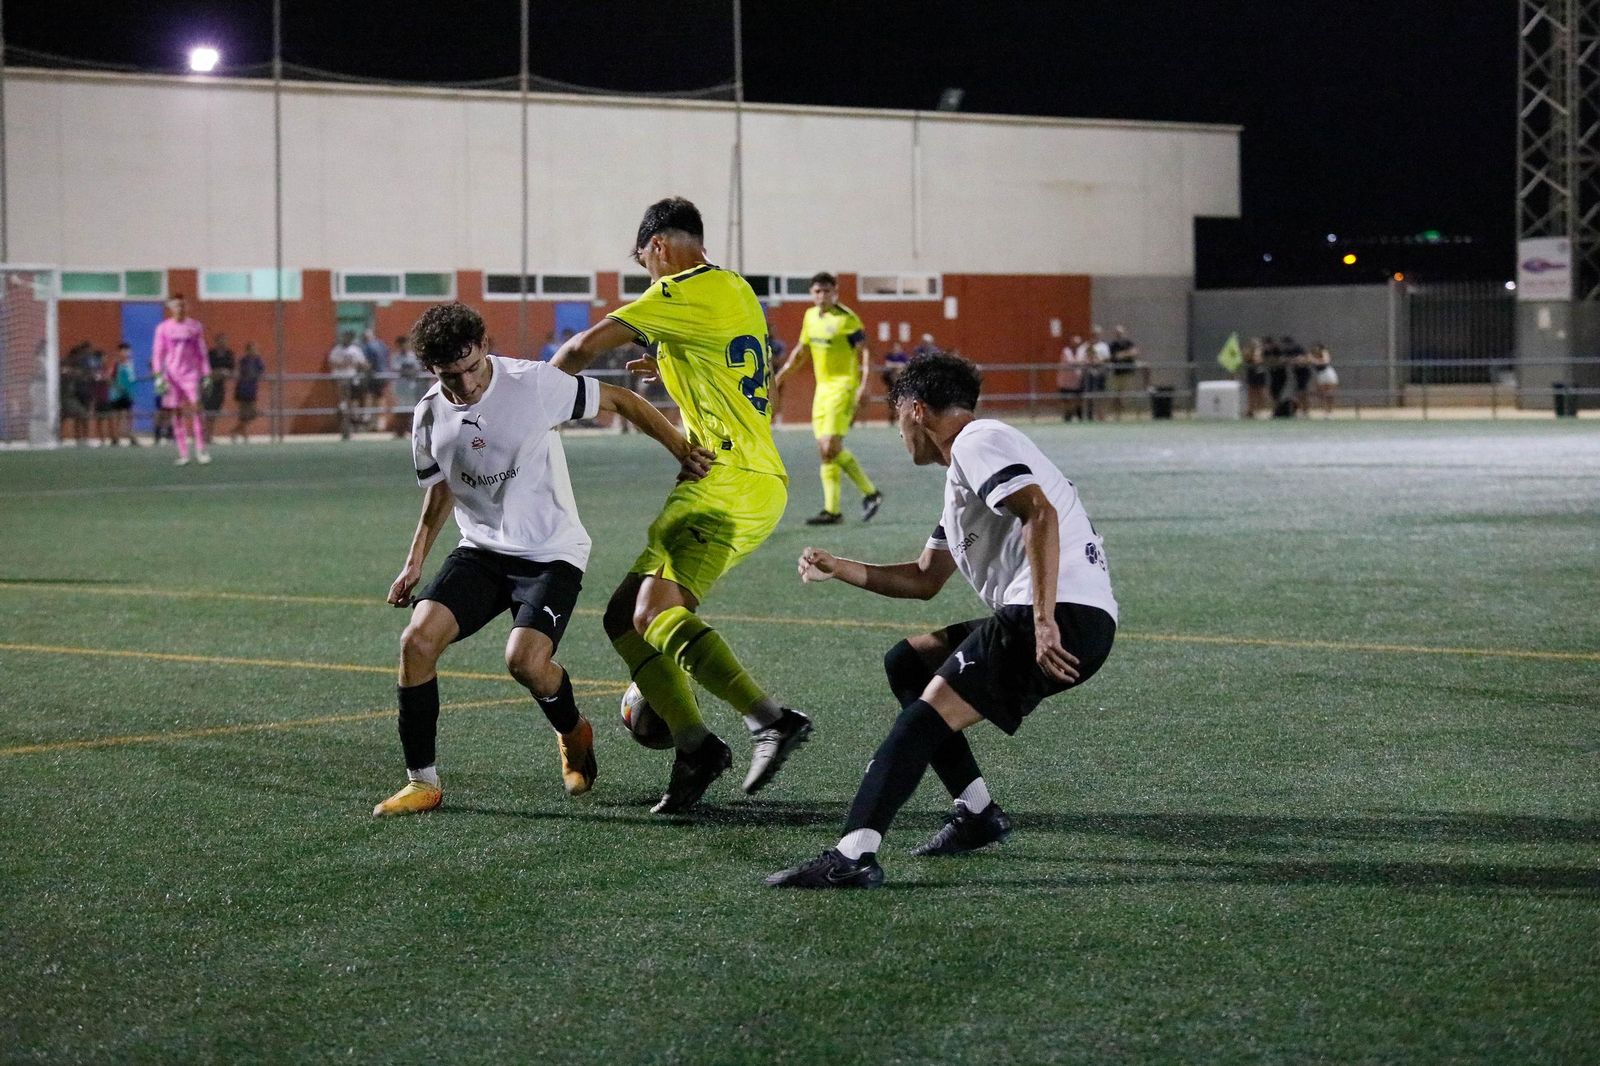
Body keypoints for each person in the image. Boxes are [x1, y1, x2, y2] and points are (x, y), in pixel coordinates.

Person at [766, 352, 1118, 889]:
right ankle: (976, 813)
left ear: (915, 409)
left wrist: (1044, 620)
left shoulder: (978, 442)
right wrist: (840, 568)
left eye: (895, 419)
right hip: (1060, 613)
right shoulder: (964, 478)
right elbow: (924, 578)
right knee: (909, 662)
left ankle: (854, 853)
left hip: (1056, 613)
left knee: (922, 721)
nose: (898, 434)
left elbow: (1039, 511)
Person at [374, 301, 715, 817]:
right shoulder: (427, 416)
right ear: (430, 370)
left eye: (471, 368)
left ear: (485, 345)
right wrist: (414, 559)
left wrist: (681, 449)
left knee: (525, 662)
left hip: (551, 552)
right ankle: (423, 782)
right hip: (481, 550)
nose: (465, 385)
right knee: (416, 643)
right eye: (450, 376)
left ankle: (573, 732)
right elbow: (442, 487)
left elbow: (621, 401)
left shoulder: (533, 384)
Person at [552, 196, 811, 814]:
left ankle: (769, 718)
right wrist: (670, 366)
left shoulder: (686, 286)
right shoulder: (736, 292)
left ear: (660, 248)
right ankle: (695, 747)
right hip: (750, 476)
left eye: (646, 265)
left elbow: (585, 346)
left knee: (649, 612)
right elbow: (732, 369)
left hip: (724, 477)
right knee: (623, 616)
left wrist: (528, 400)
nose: (649, 279)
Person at [770, 272, 884, 526]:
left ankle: (868, 493)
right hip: (822, 390)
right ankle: (835, 510)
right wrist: (779, 377)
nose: (822, 296)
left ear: (835, 292)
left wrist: (865, 385)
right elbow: (801, 351)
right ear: (812, 294)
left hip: (844, 386)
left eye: (827, 291)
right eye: (817, 291)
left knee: (829, 445)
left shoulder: (847, 319)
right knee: (826, 452)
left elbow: (865, 353)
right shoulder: (810, 317)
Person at [152, 294, 211, 465]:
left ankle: (201, 449)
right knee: (176, 412)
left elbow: (202, 352)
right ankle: (183, 453)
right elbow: (158, 353)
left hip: (190, 374)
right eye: (176, 306)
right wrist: (158, 376)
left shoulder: (194, 326)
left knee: (196, 408)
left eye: (182, 305)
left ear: (187, 306)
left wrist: (206, 374)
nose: (180, 309)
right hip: (171, 375)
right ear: (171, 307)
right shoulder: (163, 328)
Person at [327, 331, 369, 440]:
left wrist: (362, 365)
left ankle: (352, 426)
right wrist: (345, 363)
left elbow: (363, 363)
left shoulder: (355, 350)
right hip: (340, 379)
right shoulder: (337, 350)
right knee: (343, 404)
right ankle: (344, 428)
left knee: (353, 403)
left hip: (353, 380)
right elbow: (332, 363)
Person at [102, 341, 138, 446]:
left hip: (128, 394)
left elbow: (131, 379)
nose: (126, 353)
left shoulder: (130, 363)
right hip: (117, 394)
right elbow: (109, 378)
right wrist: (117, 387)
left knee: (129, 416)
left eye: (128, 350)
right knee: (116, 417)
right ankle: (115, 438)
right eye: (124, 350)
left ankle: (131, 437)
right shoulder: (115, 364)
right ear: (119, 352)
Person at [203, 334, 235, 445]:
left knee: (215, 411)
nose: (223, 343)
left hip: (220, 385)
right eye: (221, 340)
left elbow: (231, 368)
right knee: (207, 410)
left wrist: (223, 372)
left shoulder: (229, 354)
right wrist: (214, 373)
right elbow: (206, 368)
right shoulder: (211, 354)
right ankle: (204, 435)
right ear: (216, 342)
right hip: (209, 384)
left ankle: (209, 435)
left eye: (224, 340)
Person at [390, 334, 423, 438]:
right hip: (400, 387)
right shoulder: (396, 357)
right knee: (400, 408)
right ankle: (399, 431)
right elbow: (397, 368)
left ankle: (412, 430)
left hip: (411, 386)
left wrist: (408, 370)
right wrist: (407, 370)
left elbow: (417, 369)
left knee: (412, 408)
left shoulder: (412, 356)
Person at [233, 342, 266, 443]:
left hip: (252, 389)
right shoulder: (243, 361)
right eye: (252, 349)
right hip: (243, 388)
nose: (255, 351)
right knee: (244, 413)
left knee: (252, 413)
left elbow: (261, 371)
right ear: (247, 350)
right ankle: (244, 434)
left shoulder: (258, 361)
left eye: (255, 349)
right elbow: (243, 372)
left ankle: (235, 431)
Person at [1106, 325, 1140, 421]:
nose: (1119, 335)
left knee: (1124, 395)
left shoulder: (1128, 343)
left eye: (1120, 333)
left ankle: (1125, 415)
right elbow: (1112, 357)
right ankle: (1116, 415)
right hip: (1117, 373)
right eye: (1117, 333)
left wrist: (1123, 354)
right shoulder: (1113, 345)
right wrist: (1119, 356)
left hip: (1127, 373)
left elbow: (1135, 352)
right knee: (1116, 395)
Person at [362, 328, 392, 430]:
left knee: (370, 395)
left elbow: (368, 364)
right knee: (380, 397)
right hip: (384, 374)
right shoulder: (382, 344)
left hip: (374, 375)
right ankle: (380, 422)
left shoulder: (368, 346)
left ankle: (369, 419)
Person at [1057, 333, 1088, 421]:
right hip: (1066, 381)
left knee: (1079, 400)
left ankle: (1079, 417)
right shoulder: (1066, 351)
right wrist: (1080, 362)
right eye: (1074, 343)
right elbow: (1071, 363)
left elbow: (1085, 362)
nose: (1076, 345)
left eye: (1078, 343)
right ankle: (1067, 417)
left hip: (1078, 381)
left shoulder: (1082, 351)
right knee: (1067, 401)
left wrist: (1081, 362)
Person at [1083, 327, 1109, 421]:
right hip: (1089, 373)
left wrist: (1098, 361)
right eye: (1093, 334)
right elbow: (1084, 357)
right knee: (1089, 394)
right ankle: (1089, 416)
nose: (1095, 336)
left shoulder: (1103, 346)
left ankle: (1101, 416)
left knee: (1100, 394)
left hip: (1100, 372)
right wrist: (1090, 361)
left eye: (1097, 334)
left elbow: (1106, 358)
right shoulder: (1087, 345)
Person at [880, 340, 909, 423]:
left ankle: (899, 415)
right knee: (892, 398)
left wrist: (896, 366)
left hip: (901, 383)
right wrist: (896, 366)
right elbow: (887, 365)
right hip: (891, 383)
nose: (895, 349)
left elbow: (904, 366)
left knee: (901, 399)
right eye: (894, 347)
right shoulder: (889, 356)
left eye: (897, 347)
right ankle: (892, 415)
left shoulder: (903, 356)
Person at [1243, 338, 1269, 418]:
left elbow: (1258, 360)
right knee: (1251, 392)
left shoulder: (1261, 351)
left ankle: (1262, 409)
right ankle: (1251, 410)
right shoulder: (1247, 351)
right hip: (1251, 373)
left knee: (1261, 392)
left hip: (1259, 373)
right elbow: (1246, 358)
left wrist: (1256, 355)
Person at [1311, 342, 1338, 416]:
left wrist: (1316, 361)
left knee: (1329, 393)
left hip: (1327, 373)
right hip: (1320, 374)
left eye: (1317, 348)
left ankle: (1330, 411)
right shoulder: (1312, 355)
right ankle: (1325, 411)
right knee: (1322, 393)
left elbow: (1326, 361)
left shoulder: (1324, 352)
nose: (1315, 349)